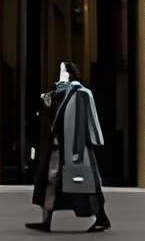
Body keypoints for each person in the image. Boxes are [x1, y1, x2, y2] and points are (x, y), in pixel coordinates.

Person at [27, 61, 110, 232]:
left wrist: (88, 144)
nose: (59, 73)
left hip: (77, 147)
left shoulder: (80, 94)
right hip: (59, 147)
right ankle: (46, 221)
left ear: (69, 73)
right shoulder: (59, 94)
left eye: (62, 70)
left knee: (87, 183)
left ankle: (101, 217)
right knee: (51, 183)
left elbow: (87, 120)